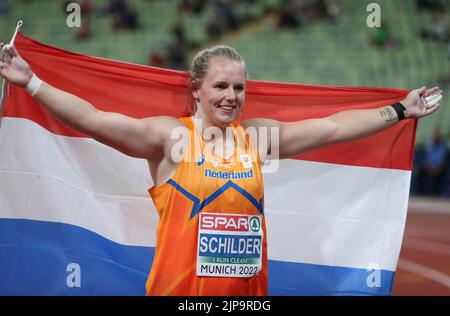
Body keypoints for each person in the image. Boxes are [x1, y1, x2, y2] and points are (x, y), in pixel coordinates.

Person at [0, 43, 443, 295]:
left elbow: (330, 128)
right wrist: (32, 83)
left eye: (238, 87)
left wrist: (399, 110)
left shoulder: (258, 139)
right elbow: (95, 120)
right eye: (220, 86)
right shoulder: (171, 139)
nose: (231, 96)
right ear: (196, 92)